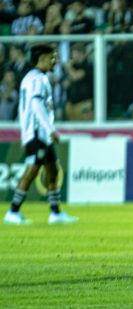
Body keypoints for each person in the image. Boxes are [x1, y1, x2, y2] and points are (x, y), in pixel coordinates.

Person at [4, 45, 78, 225]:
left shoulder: (30, 78)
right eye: (52, 57)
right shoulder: (38, 79)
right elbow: (36, 105)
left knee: (52, 168)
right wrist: (50, 128)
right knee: (33, 169)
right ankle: (13, 211)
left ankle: (55, 213)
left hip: (38, 132)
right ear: (42, 58)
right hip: (38, 131)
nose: (55, 60)